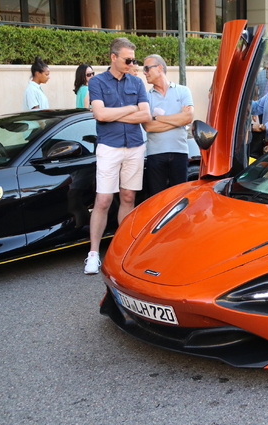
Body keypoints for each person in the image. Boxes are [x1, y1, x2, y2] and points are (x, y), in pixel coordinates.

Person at [84, 37, 151, 274]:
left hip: (134, 145)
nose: (132, 63)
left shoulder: (137, 82)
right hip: (109, 147)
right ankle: (93, 254)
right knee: (103, 200)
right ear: (113, 57)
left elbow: (145, 115)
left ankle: (125, 250)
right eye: (128, 59)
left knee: (128, 198)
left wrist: (116, 114)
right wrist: (130, 109)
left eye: (133, 59)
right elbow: (100, 115)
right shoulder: (98, 82)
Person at [142, 54, 194, 196]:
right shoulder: (146, 96)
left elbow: (188, 117)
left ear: (159, 68)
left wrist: (158, 118)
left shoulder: (183, 90)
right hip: (155, 154)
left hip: (180, 152)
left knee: (179, 198)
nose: (144, 73)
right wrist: (178, 120)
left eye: (147, 68)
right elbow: (148, 126)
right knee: (156, 199)